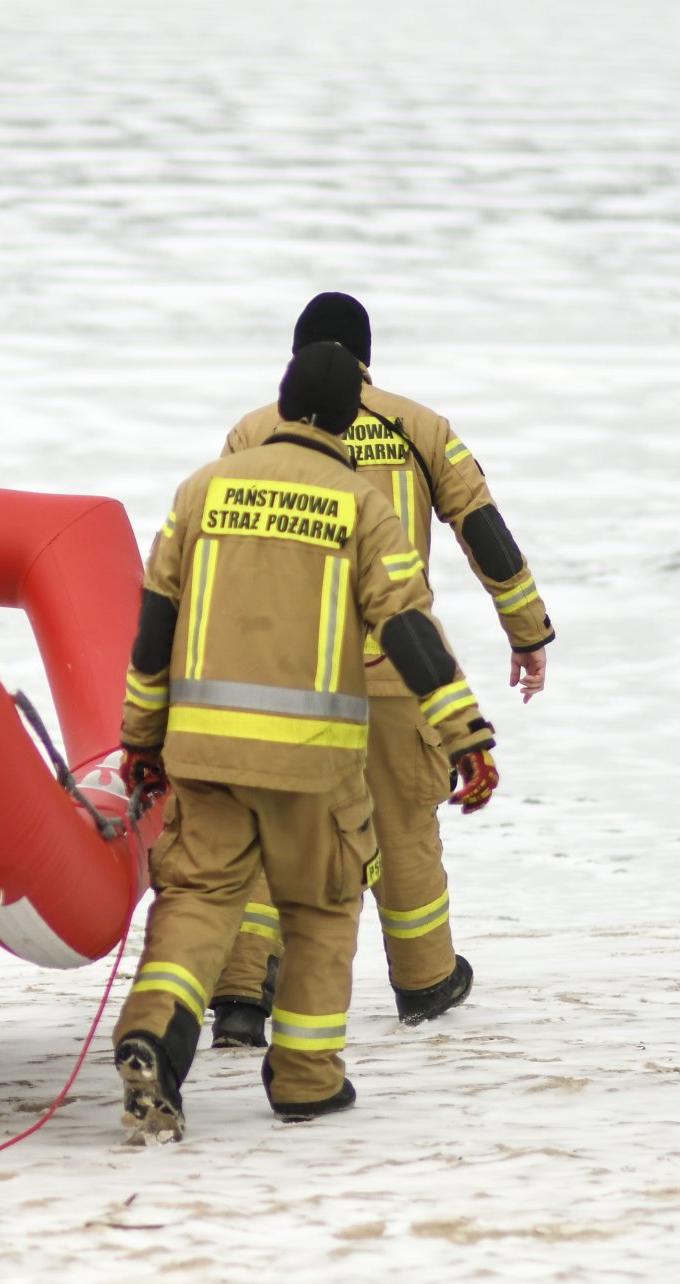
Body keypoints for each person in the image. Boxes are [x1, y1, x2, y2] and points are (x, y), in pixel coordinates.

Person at [113, 342, 498, 1141]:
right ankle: (305, 1080)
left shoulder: (200, 490)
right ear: (352, 418)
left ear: (283, 403)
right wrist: (465, 733)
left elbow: (155, 627)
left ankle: (154, 1035)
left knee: (197, 903)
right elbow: (407, 627)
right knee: (322, 908)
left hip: (204, 749)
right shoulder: (360, 503)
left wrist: (140, 738)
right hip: (313, 762)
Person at [201, 294, 555, 1048]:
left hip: (289, 675)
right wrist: (527, 632)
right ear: (367, 356)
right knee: (403, 829)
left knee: (269, 829)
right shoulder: (422, 428)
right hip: (400, 667)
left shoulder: (253, 431)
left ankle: (239, 999)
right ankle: (426, 984)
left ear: (296, 358)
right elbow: (484, 531)